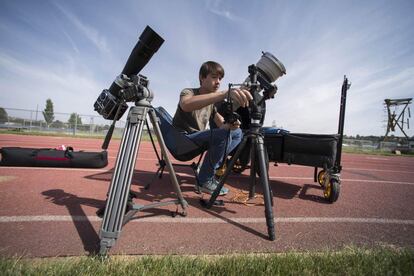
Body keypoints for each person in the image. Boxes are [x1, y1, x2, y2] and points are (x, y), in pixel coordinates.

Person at [172, 61, 252, 195]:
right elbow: (186, 104)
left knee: (237, 133)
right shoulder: (188, 92)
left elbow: (222, 125)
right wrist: (223, 94)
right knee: (223, 135)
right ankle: (204, 180)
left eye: (220, 78)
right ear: (202, 78)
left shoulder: (211, 105)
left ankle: (209, 170)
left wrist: (232, 125)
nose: (218, 82)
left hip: (195, 140)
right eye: (214, 77)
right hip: (182, 140)